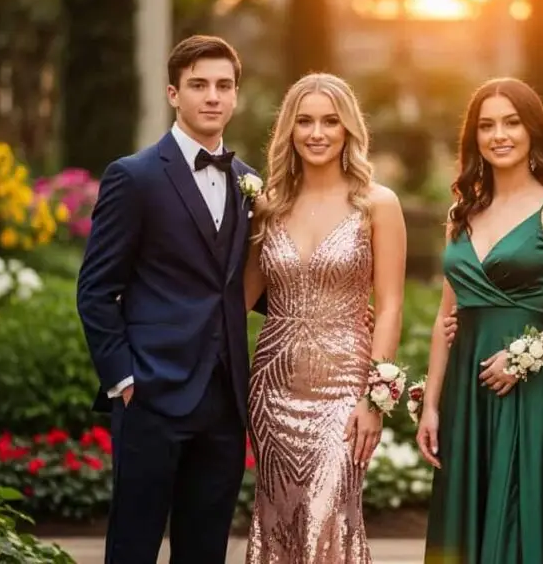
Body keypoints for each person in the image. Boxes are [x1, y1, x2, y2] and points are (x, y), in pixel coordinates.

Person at [76, 35, 257, 563]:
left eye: (223, 85)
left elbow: (246, 284)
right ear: (173, 94)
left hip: (224, 400)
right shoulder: (134, 176)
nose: (212, 96)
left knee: (205, 551)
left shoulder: (249, 182)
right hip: (151, 395)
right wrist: (124, 380)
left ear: (236, 95)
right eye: (198, 85)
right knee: (133, 547)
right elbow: (95, 288)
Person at [417, 77, 543, 563]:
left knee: (525, 520)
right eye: (487, 125)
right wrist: (431, 405)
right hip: (466, 394)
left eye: (512, 123)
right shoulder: (461, 214)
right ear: (474, 136)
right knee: (467, 524)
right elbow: (444, 318)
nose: (499, 135)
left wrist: (524, 357)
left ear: (532, 130)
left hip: (531, 391)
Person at [241, 73, 407, 563]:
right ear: (289, 130)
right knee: (277, 521)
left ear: (348, 128)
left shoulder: (378, 204)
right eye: (305, 121)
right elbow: (237, 300)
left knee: (329, 517)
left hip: (344, 388)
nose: (317, 133)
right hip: (273, 386)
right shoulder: (268, 205)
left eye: (330, 121)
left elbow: (390, 306)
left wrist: (375, 398)